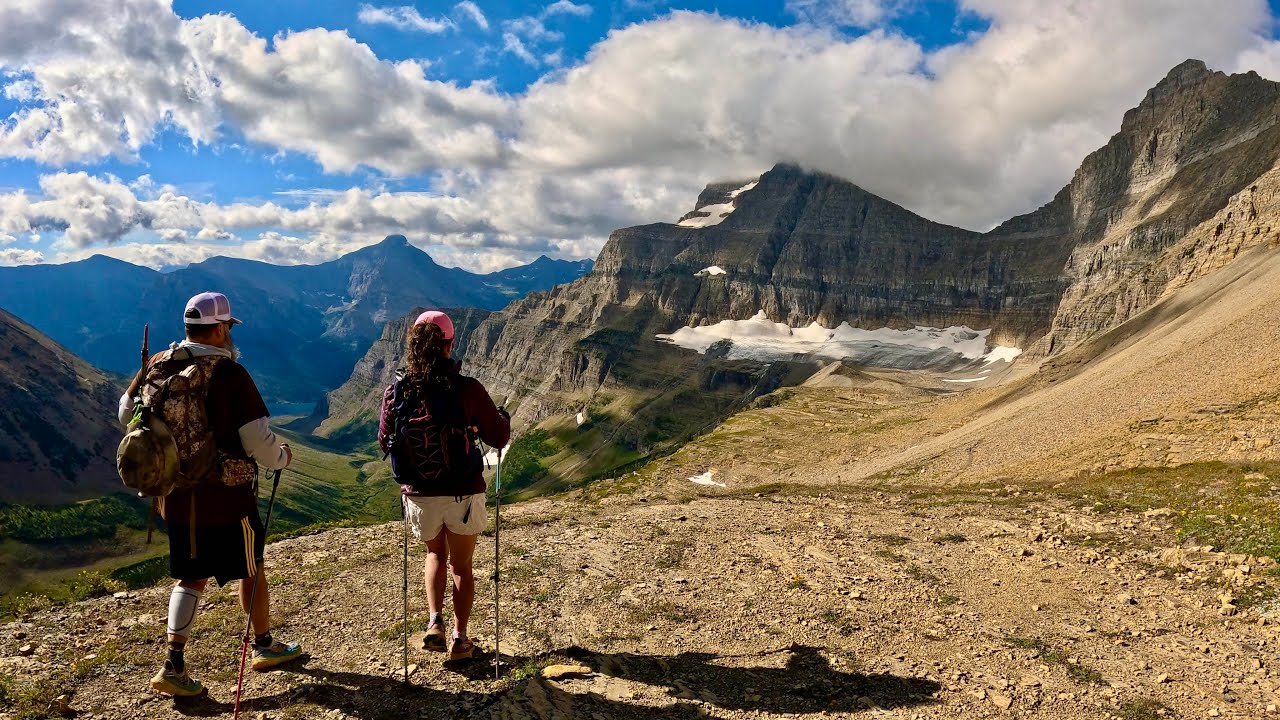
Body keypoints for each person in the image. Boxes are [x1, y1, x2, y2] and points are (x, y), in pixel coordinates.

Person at [118, 291, 301, 697]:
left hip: (177, 496)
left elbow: (125, 413)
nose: (230, 336)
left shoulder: (158, 366)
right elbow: (257, 440)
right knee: (250, 567)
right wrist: (281, 458)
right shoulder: (230, 374)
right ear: (219, 329)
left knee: (191, 575)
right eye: (228, 329)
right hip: (228, 496)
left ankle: (174, 664)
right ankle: (265, 645)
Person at [378, 310, 510, 661]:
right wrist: (499, 419)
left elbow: (384, 439)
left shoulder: (397, 391)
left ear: (413, 345)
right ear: (449, 345)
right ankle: (460, 640)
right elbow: (499, 436)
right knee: (462, 567)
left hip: (419, 494)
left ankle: (434, 622)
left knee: (435, 553)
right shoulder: (467, 389)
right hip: (462, 492)